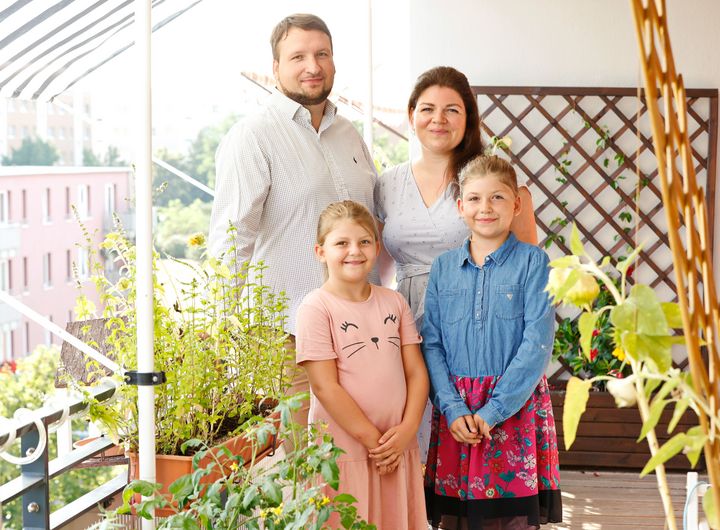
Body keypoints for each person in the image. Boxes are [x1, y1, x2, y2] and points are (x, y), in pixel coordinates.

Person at [208, 14, 377, 429]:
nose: (313, 66)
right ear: (276, 68)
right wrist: (215, 330)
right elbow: (233, 236)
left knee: (352, 455)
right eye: (298, 56)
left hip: (358, 329)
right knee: (298, 461)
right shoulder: (253, 136)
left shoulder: (349, 135)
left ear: (334, 62)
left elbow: (374, 226)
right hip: (286, 335)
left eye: (322, 54)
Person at [374, 66, 537, 461]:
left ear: (469, 119)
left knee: (469, 445)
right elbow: (374, 270)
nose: (439, 120)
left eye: (452, 110)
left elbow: (525, 272)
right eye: (427, 108)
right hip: (407, 319)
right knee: (409, 431)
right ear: (411, 115)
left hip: (478, 323)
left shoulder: (492, 182)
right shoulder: (386, 184)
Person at [421, 155, 562, 530]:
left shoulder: (535, 263)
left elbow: (537, 344)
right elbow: (431, 344)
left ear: (516, 204)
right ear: (460, 206)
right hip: (457, 415)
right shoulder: (443, 269)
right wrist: (452, 408)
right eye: (475, 199)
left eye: (497, 198)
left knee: (510, 520)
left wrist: (493, 410)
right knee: (458, 520)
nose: (485, 208)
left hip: (513, 410)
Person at [295, 201, 429, 529]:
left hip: (398, 444)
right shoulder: (315, 308)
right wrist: (374, 442)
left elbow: (416, 372)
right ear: (320, 251)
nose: (354, 251)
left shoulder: (394, 301)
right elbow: (325, 387)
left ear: (376, 248)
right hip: (348, 450)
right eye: (341, 243)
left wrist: (407, 430)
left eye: (364, 242)